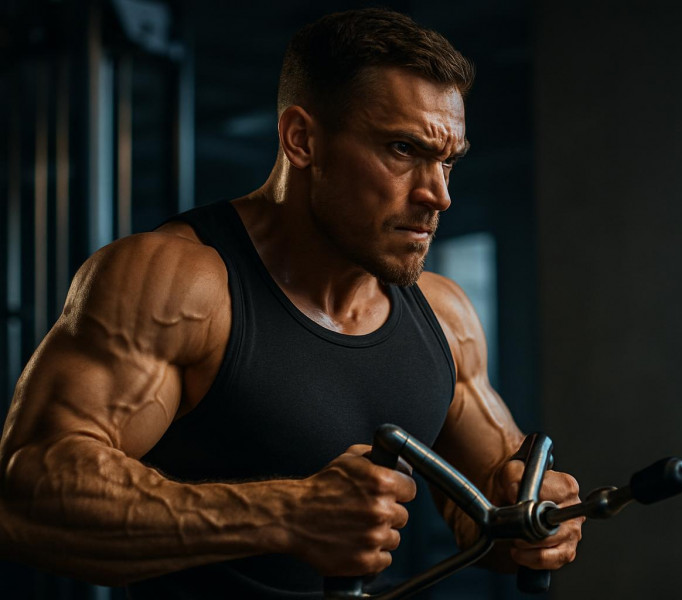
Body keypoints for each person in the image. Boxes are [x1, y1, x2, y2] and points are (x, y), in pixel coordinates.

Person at [0, 8, 583, 598]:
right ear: (301, 139)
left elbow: (491, 511)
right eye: (403, 149)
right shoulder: (181, 283)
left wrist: (536, 522)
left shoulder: (443, 312)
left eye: (447, 160)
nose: (439, 195)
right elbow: (28, 493)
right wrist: (285, 513)